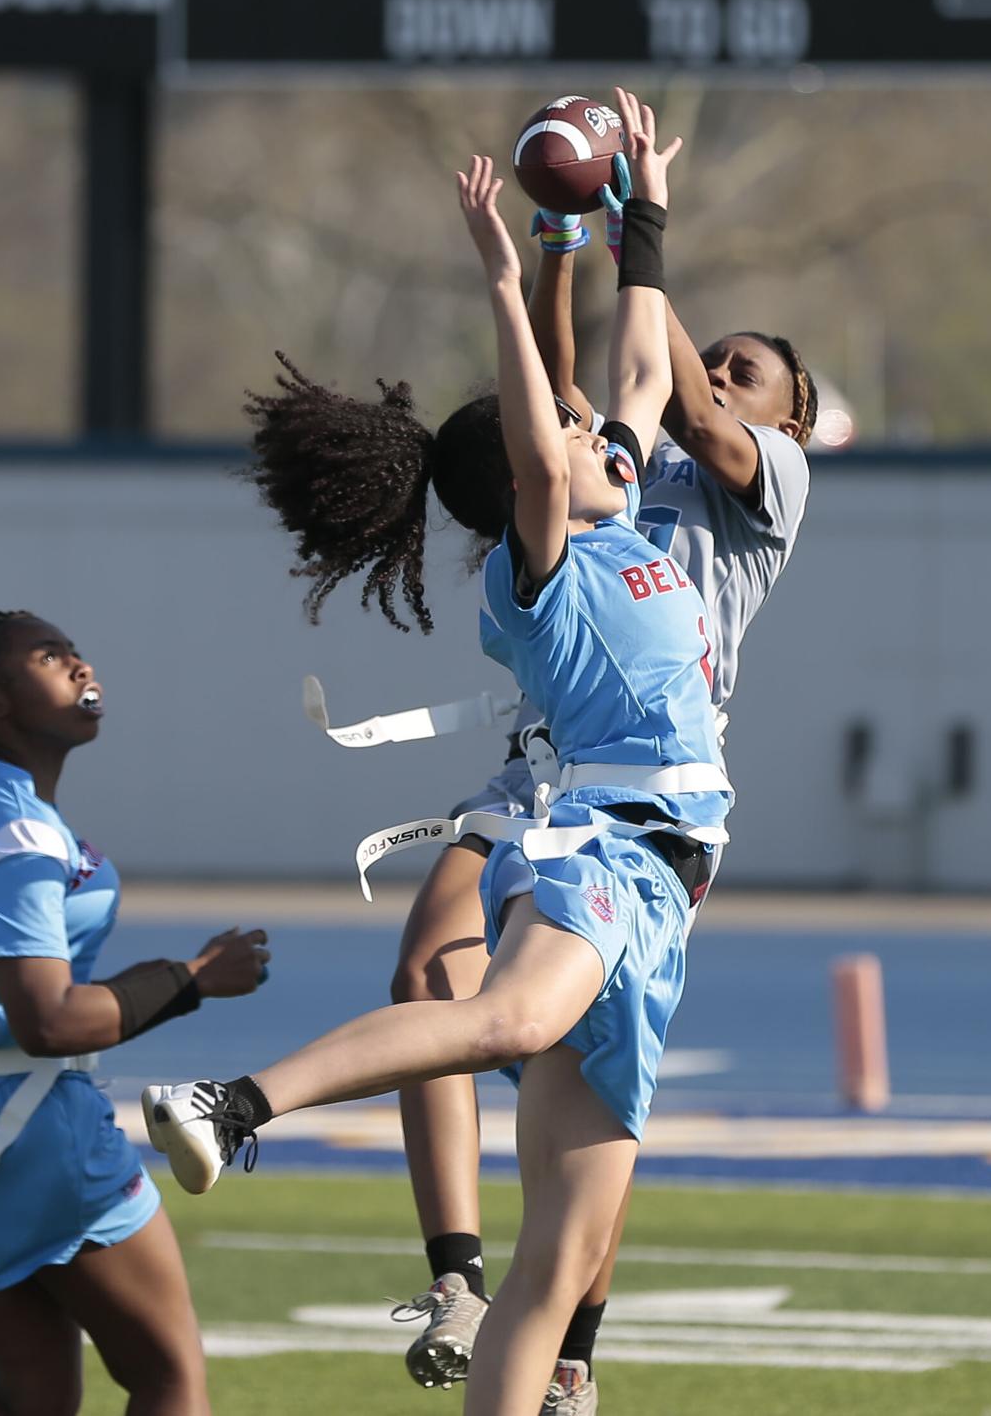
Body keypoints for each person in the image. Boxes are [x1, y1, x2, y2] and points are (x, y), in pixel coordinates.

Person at [145, 89, 727, 1416]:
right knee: (505, 1016)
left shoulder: (621, 515)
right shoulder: (545, 569)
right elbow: (535, 445)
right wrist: (502, 282)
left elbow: (632, 371)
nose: (590, 433)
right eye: (565, 438)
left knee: (560, 1258)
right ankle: (230, 1104)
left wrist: (641, 213)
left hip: (664, 896)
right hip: (600, 849)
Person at [382, 145, 818, 1408]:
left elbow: (660, 388)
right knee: (428, 959)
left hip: (653, 789)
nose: (718, 373)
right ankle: (460, 1275)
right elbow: (567, 403)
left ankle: (573, 1346)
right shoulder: (619, 468)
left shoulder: (767, 482)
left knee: (590, 1080)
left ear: (783, 416)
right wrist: (567, 246)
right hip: (549, 758)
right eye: (715, 355)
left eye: (748, 373)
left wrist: (645, 238)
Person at [0, 563, 270, 1416]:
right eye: (47, 654)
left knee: (30, 1399)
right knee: (168, 1380)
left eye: (73, 648)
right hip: (24, 1131)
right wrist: (190, 980)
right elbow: (48, 1019)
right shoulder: (16, 828)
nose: (78, 664)